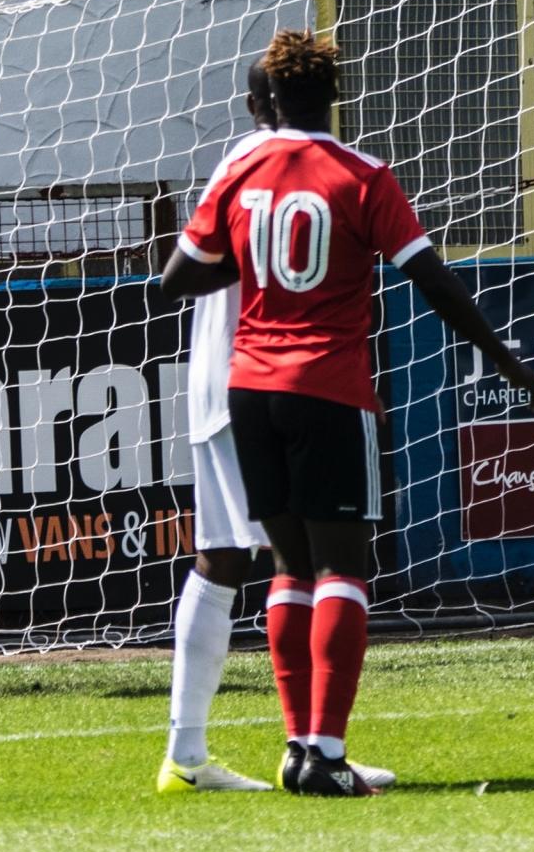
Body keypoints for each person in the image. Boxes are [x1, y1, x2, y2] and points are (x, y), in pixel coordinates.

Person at [158, 30, 534, 796]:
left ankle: (296, 748)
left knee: (287, 567)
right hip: (328, 386)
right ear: (335, 96)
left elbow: (177, 277)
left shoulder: (241, 167)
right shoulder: (362, 175)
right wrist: (503, 358)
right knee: (342, 567)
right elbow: (432, 279)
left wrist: (251, 257)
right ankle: (324, 753)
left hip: (247, 387)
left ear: (265, 102)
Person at [158, 60, 393, 796]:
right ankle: (237, 753)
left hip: (232, 379)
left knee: (237, 555)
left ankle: (274, 748)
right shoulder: (266, 161)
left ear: (256, 101)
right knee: (272, 561)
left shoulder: (251, 159)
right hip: (260, 376)